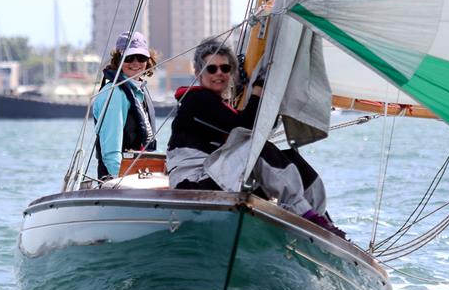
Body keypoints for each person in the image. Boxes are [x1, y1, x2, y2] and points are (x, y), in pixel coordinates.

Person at [166, 38, 345, 238]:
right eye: (211, 69)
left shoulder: (218, 105)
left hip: (214, 176)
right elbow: (246, 127)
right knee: (258, 148)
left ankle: (321, 219)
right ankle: (305, 213)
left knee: (292, 159)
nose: (219, 74)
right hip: (193, 185)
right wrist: (258, 90)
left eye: (225, 68)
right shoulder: (196, 100)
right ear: (199, 72)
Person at [93, 31, 157, 180]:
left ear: (148, 60)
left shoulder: (138, 90)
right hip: (117, 180)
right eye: (129, 58)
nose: (135, 63)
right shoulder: (115, 94)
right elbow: (111, 152)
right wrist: (123, 183)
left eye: (141, 58)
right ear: (118, 60)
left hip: (139, 176)